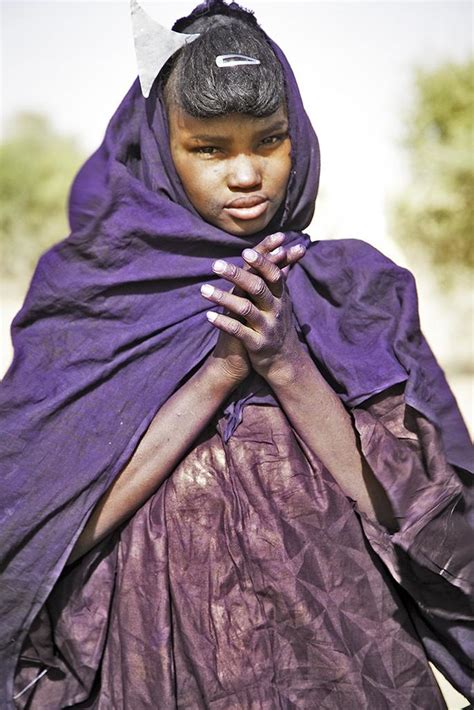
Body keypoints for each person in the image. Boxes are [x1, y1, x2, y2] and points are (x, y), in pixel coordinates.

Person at [1, 1, 472, 707]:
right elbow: (46, 531)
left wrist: (287, 364)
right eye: (210, 148)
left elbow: (418, 514)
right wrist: (217, 374)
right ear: (159, 147)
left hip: (341, 661)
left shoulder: (353, 293)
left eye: (269, 140)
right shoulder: (90, 304)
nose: (247, 174)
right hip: (151, 667)